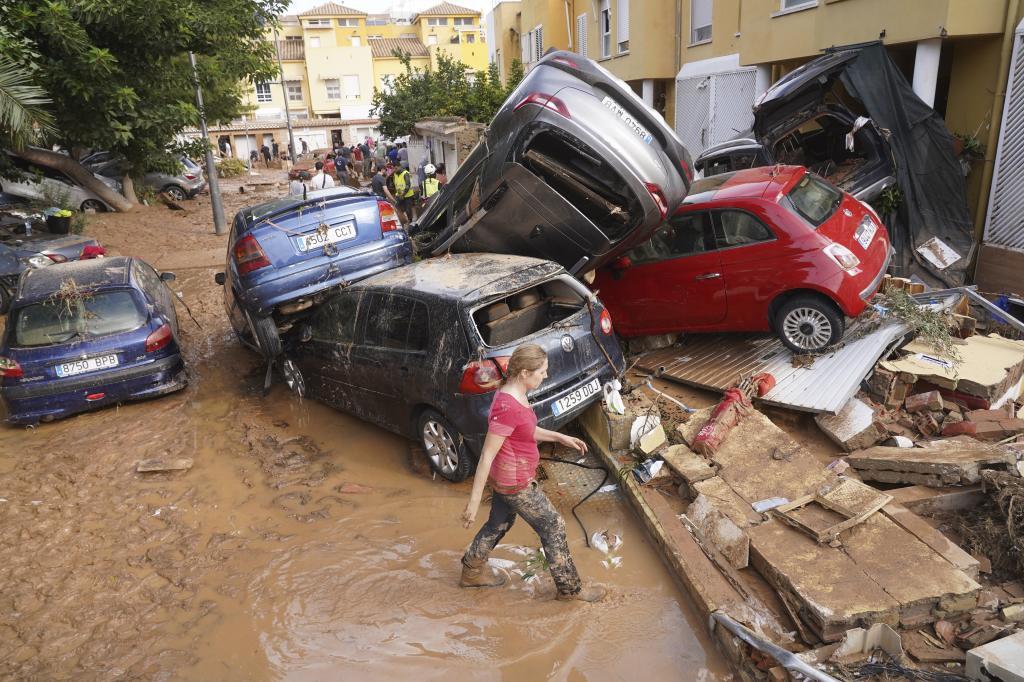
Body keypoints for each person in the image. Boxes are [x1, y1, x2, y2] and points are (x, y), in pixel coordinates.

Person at [460, 344, 607, 602]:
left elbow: (524, 430)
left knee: (499, 523)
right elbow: (486, 455)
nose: (546, 376)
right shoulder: (507, 407)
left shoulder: (515, 394)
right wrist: (473, 503)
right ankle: (571, 590)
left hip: (507, 477)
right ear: (525, 373)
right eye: (542, 372)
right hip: (515, 482)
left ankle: (471, 573)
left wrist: (560, 437)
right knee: (553, 526)